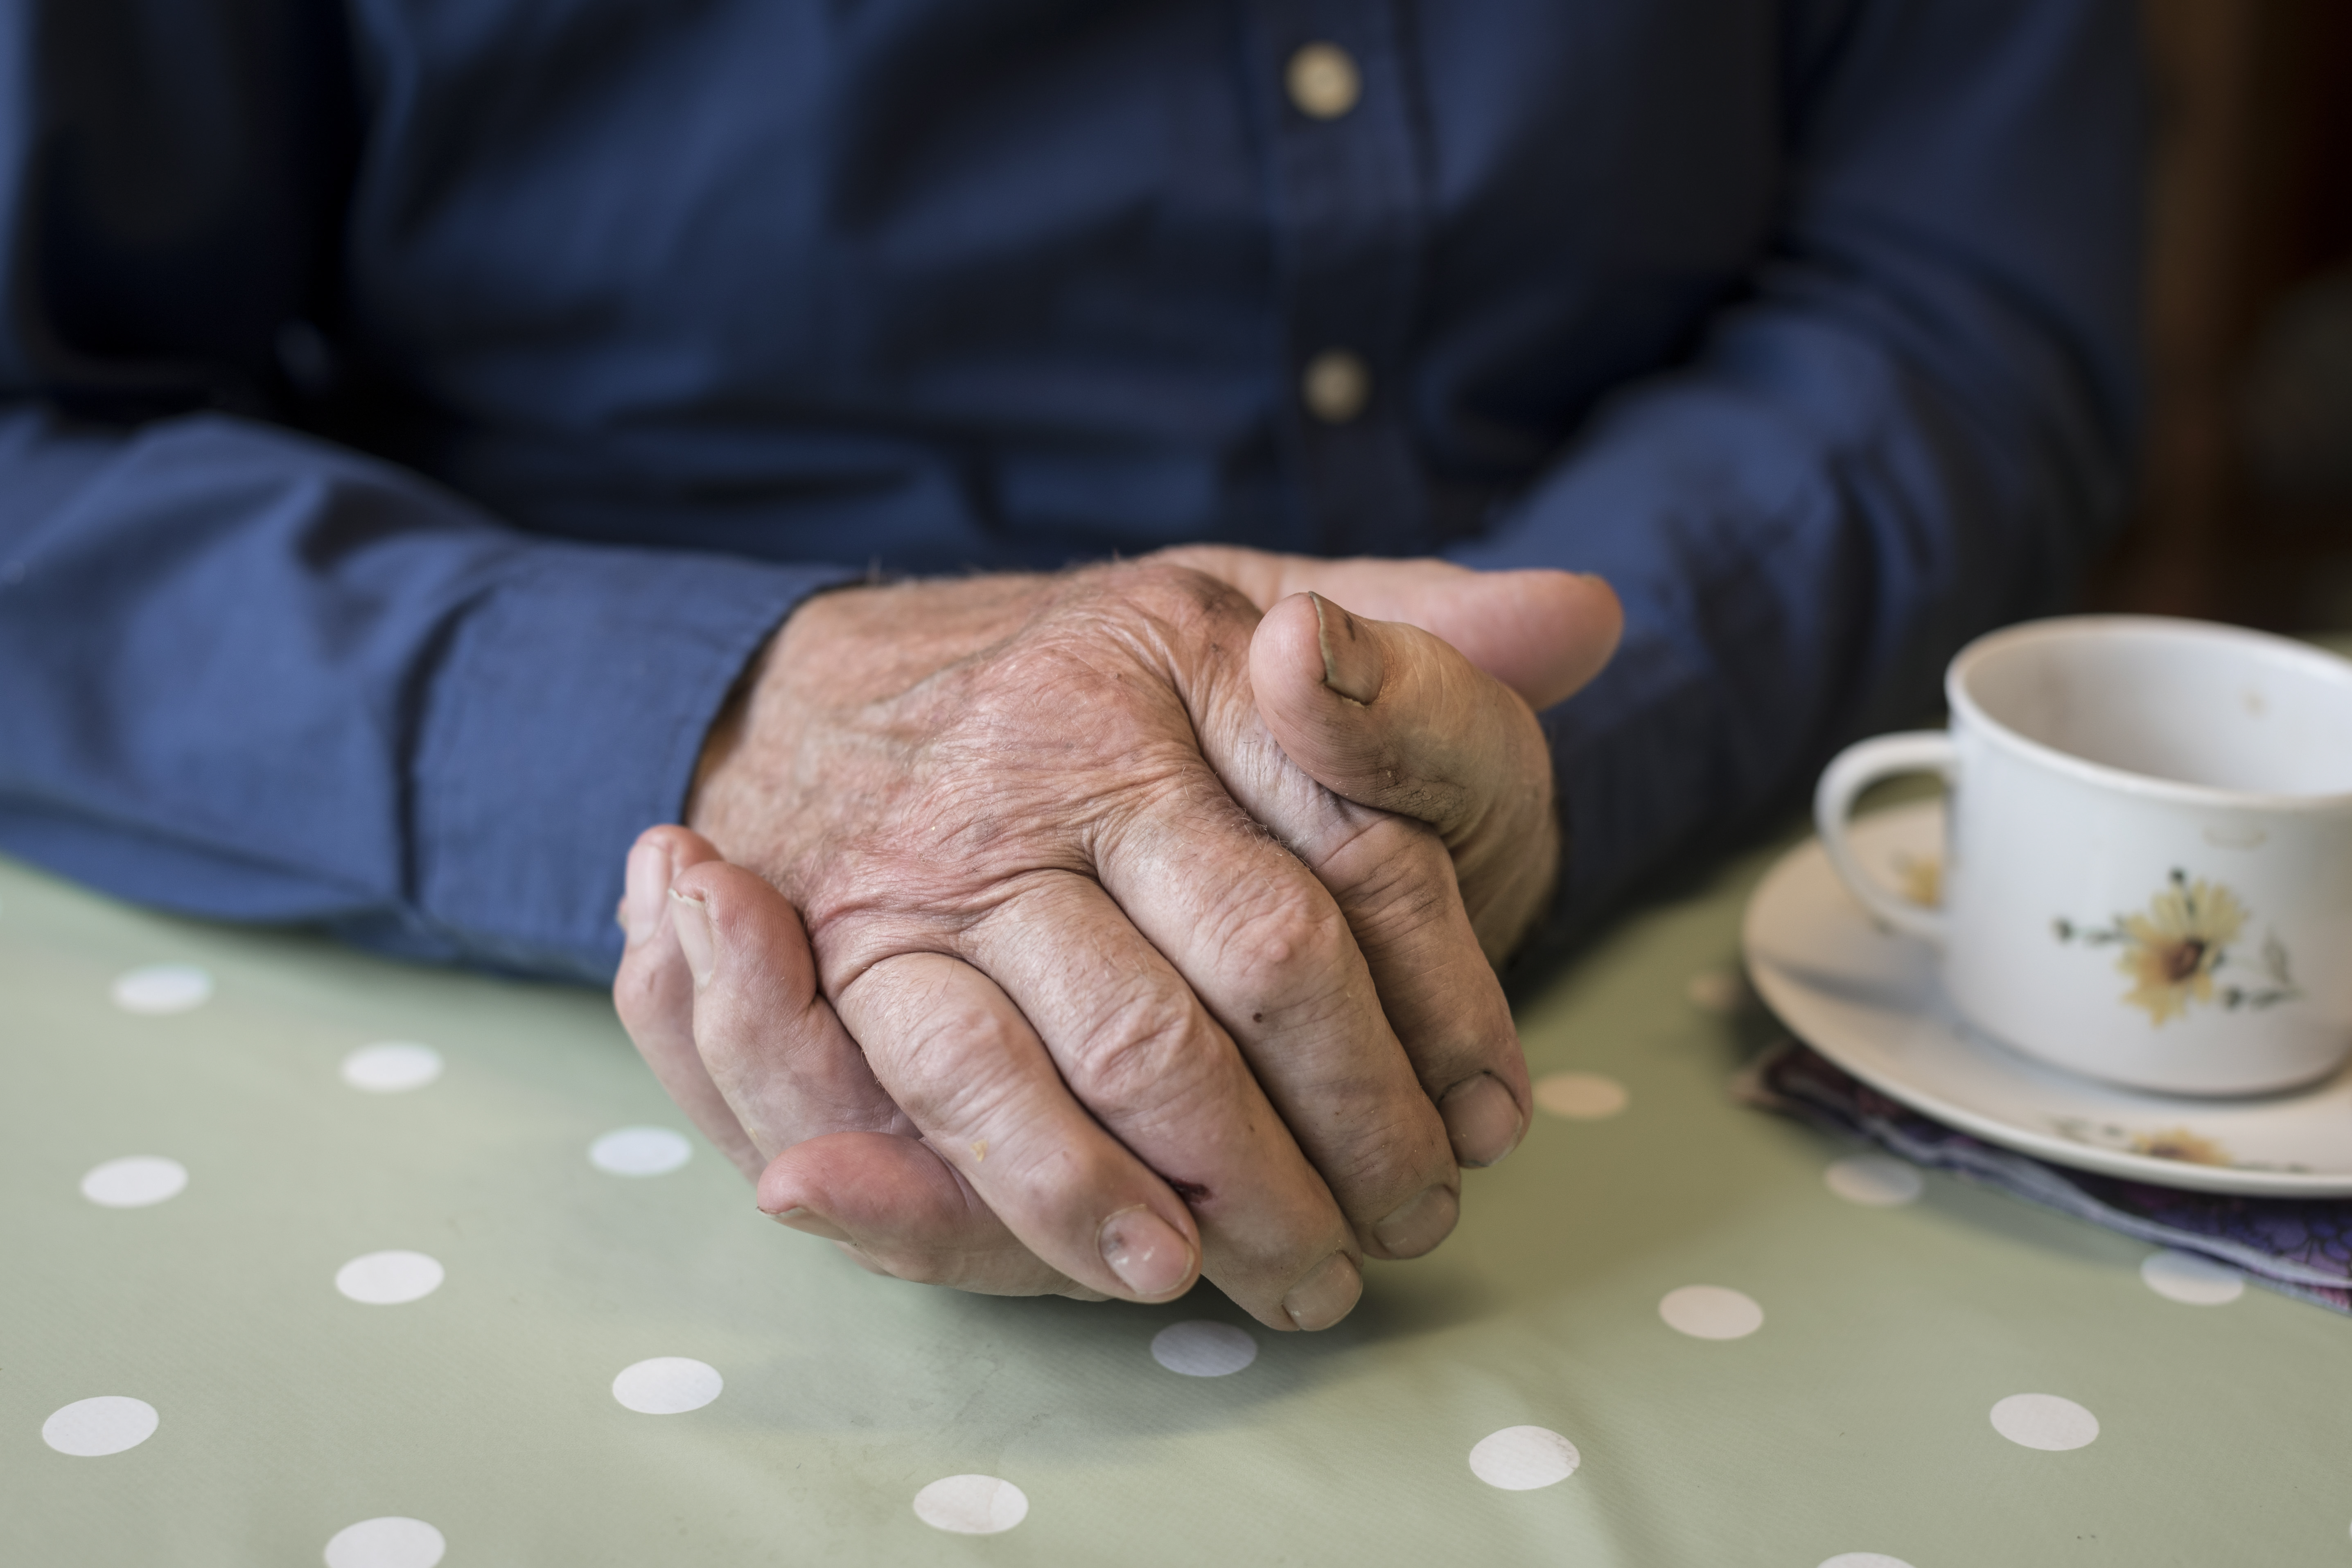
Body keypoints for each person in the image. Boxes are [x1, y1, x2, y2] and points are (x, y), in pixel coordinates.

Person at [0, 1, 2143, 1330]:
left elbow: (1950, 297)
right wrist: (737, 721)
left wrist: (1450, 744)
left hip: (1618, 934)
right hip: (529, 1014)